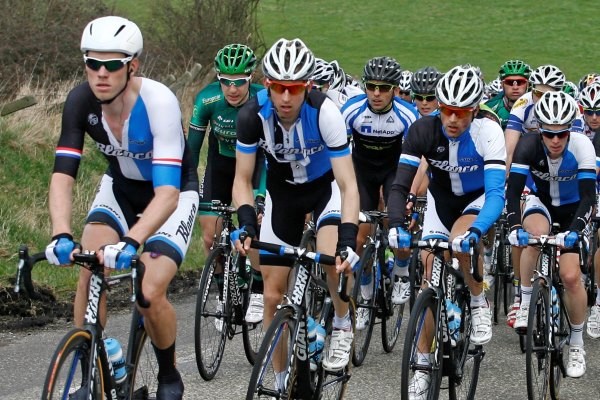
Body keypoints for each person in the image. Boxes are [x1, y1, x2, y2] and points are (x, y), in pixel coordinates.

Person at [44, 16, 199, 399]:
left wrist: (131, 242)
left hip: (172, 194)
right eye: (91, 63)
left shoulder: (158, 101)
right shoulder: (80, 101)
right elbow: (63, 176)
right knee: (89, 266)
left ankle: (168, 374)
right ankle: (91, 366)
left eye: (112, 64)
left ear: (133, 66)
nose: (100, 73)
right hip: (119, 188)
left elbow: (166, 195)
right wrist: (60, 232)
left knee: (148, 290)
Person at [231, 38, 360, 383]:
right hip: (282, 194)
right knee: (273, 295)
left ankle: (344, 323)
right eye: (278, 89)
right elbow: (242, 179)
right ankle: (280, 380)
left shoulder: (326, 112)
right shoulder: (251, 115)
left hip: (325, 190)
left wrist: (348, 238)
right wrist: (246, 224)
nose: (286, 98)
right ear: (267, 85)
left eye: (295, 89)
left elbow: (348, 185)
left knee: (332, 257)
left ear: (308, 86)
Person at [387, 65, 506, 399]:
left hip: (476, 201)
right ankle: (423, 363)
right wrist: (396, 224)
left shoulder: (488, 132)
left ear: (474, 110)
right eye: (446, 111)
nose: (452, 119)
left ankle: (479, 300)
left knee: (461, 242)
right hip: (441, 203)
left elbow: (496, 194)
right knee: (428, 275)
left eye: (461, 113)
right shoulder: (422, 130)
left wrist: (478, 229)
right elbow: (400, 185)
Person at [506, 91, 595, 378]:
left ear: (570, 130)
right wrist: (514, 226)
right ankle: (526, 300)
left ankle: (577, 343)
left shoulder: (581, 146)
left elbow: (588, 198)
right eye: (548, 134)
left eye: (562, 134)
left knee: (570, 277)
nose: (555, 141)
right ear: (539, 131)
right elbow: (513, 191)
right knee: (533, 235)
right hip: (541, 204)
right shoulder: (527, 146)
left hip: (573, 210)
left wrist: (576, 231)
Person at [188, 43, 266, 325]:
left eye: (240, 82)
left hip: (257, 165)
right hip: (220, 166)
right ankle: (223, 294)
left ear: (251, 78)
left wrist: (260, 196)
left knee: (254, 225)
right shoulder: (207, 100)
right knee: (210, 237)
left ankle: (257, 288)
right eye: (226, 82)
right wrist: (187, 188)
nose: (232, 89)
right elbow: (192, 150)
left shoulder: (263, 100)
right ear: (218, 79)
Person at [341, 56, 418, 325]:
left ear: (395, 90)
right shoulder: (350, 110)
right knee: (360, 238)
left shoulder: (407, 114)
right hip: (362, 172)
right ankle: (364, 295)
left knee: (394, 223)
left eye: (384, 88)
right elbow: (337, 154)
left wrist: (410, 192)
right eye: (371, 86)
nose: (376, 93)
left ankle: (401, 271)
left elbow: (417, 159)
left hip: (394, 171)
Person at [576, 83, 600, 339]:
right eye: (590, 111)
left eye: (599, 112)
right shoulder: (574, 129)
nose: (594, 117)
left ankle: (599, 306)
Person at [485, 59, 532, 129]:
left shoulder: (536, 105)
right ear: (502, 84)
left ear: (527, 84)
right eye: (510, 82)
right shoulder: (489, 109)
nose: (515, 87)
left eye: (520, 82)